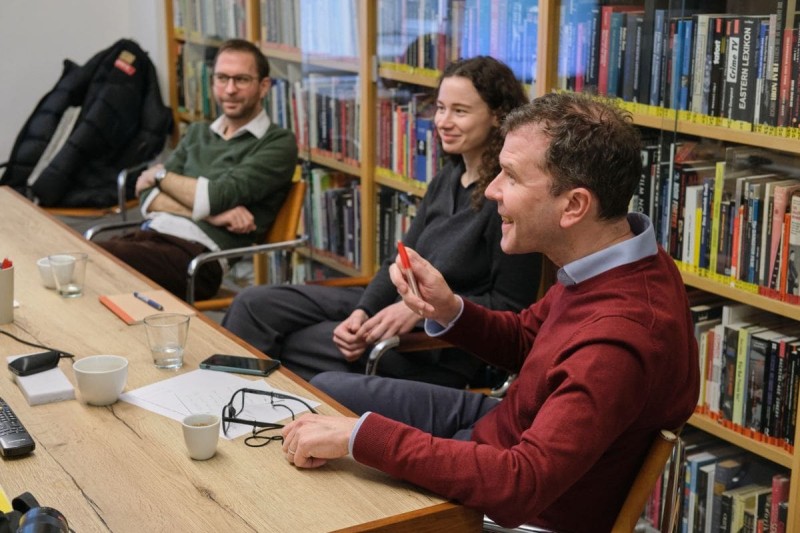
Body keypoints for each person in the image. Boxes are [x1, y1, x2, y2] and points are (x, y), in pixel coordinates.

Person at [280, 92, 700, 532]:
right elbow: (525, 339)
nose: (493, 189)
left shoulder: (620, 337)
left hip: (523, 509)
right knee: (325, 393)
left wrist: (357, 439)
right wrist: (451, 308)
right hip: (500, 427)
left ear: (574, 206)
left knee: (328, 478)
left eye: (511, 177)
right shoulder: (618, 258)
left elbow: (518, 486)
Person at [222, 56, 541, 389]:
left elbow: (511, 308)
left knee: (291, 341)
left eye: (459, 111)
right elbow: (399, 259)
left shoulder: (505, 201)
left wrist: (426, 310)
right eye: (441, 108)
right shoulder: (448, 178)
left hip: (439, 347)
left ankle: (233, 405)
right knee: (254, 305)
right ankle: (220, 400)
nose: (443, 121)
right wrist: (363, 309)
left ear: (497, 117)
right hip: (396, 310)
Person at [98, 39, 298, 301]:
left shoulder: (278, 143)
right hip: (149, 237)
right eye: (222, 78)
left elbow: (215, 195)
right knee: (80, 259)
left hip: (198, 259)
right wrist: (212, 216)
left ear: (263, 87)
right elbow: (147, 198)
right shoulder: (198, 132)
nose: (229, 89)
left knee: (94, 260)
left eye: (241, 80)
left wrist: (160, 176)